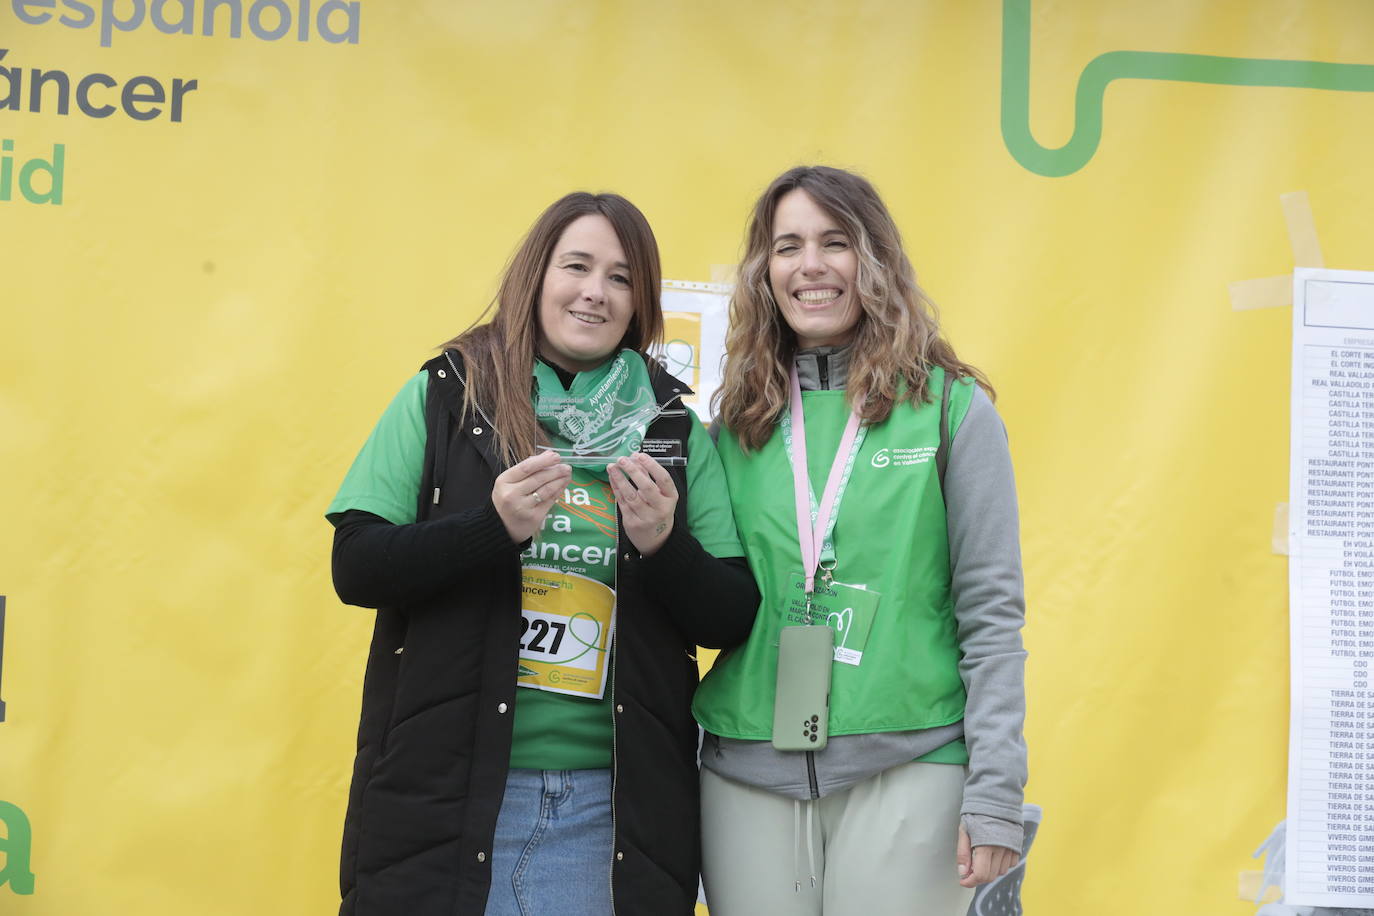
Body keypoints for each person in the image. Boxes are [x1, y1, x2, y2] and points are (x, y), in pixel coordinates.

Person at [326, 191, 759, 916]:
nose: (595, 292)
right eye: (577, 266)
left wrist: (662, 545)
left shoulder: (672, 429)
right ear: (536, 276)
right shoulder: (446, 396)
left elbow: (731, 615)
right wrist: (489, 527)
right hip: (450, 794)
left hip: (610, 810)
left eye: (621, 278)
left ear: (640, 302)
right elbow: (357, 565)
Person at [693, 166, 1028, 915]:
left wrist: (997, 793)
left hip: (911, 763)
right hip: (745, 769)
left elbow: (993, 615)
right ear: (764, 272)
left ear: (872, 260)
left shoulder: (951, 412)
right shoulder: (730, 430)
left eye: (834, 242)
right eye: (787, 246)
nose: (810, 265)